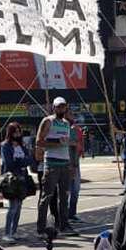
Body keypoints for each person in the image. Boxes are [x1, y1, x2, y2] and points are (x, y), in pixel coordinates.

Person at [34, 97, 75, 237]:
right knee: (46, 196)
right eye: (58, 107)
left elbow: (67, 144)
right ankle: (41, 228)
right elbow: (39, 141)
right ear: (54, 107)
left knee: (64, 197)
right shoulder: (48, 121)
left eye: (63, 107)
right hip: (51, 163)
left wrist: (71, 164)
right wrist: (56, 142)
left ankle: (64, 225)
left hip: (64, 163)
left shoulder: (66, 123)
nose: (61, 109)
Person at [0, 122, 33, 239]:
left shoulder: (22, 145)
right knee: (13, 207)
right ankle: (7, 233)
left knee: (19, 207)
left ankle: (14, 231)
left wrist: (20, 160)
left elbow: (29, 159)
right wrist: (21, 161)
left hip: (23, 177)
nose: (17, 134)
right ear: (10, 132)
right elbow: (9, 163)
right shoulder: (5, 146)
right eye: (15, 131)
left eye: (19, 131)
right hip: (11, 178)